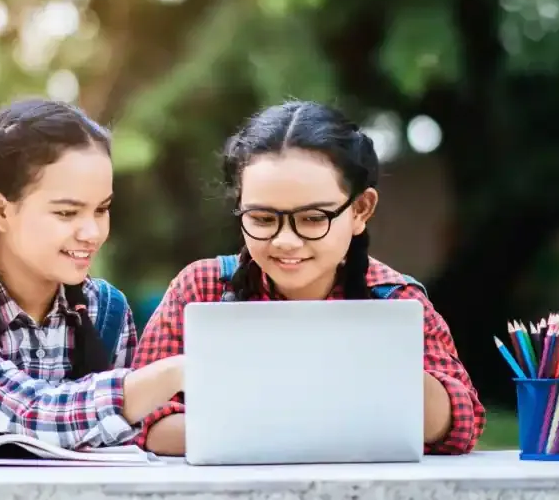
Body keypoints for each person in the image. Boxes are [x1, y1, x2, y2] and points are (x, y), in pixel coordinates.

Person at [132, 100, 485, 456]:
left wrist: (384, 362)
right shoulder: (201, 289)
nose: (286, 241)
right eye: (263, 219)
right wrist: (305, 426)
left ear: (361, 210)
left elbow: (461, 426)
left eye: (314, 218)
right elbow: (144, 422)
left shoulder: (394, 299)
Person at [0, 98, 184, 452]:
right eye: (66, 213)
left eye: (102, 209)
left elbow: (125, 449)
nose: (92, 232)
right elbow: (28, 413)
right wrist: (170, 374)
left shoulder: (107, 311)